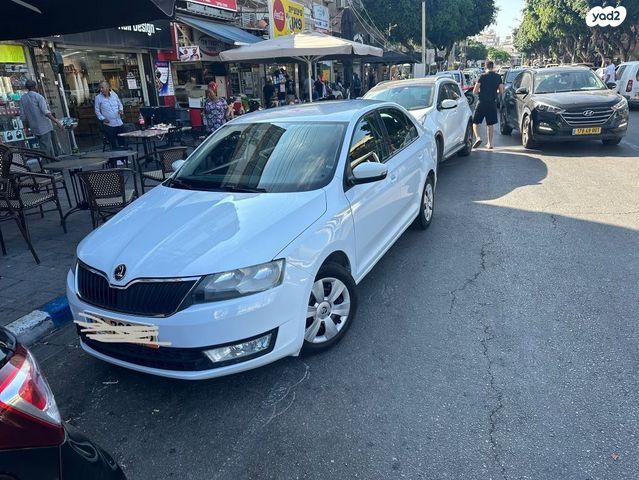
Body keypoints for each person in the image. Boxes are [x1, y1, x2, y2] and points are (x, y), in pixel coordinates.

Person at [20, 79, 63, 157]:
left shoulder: (23, 98)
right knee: (47, 147)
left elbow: (23, 116)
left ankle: (50, 161)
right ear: (35, 87)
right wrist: (57, 121)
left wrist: (26, 128)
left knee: (44, 146)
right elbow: (45, 112)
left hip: (34, 127)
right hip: (44, 126)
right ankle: (49, 162)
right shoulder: (38, 97)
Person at [472, 60, 504, 150]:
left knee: (475, 122)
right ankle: (490, 144)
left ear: (485, 66)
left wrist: (481, 91)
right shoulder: (498, 77)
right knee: (490, 124)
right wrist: (494, 92)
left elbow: (474, 91)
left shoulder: (482, 76)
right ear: (493, 66)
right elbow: (501, 91)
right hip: (492, 103)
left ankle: (478, 138)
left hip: (482, 102)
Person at [94, 80, 125, 149]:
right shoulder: (98, 98)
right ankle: (115, 153)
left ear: (107, 87)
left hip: (119, 121)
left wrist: (121, 110)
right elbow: (97, 111)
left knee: (122, 141)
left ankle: (123, 154)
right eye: (100, 88)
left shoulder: (114, 95)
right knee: (113, 142)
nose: (101, 89)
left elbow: (120, 104)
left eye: (102, 88)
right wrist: (103, 118)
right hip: (109, 124)